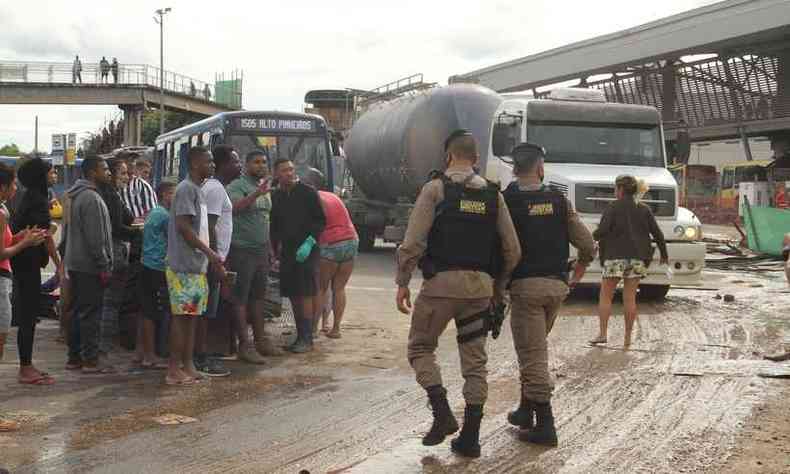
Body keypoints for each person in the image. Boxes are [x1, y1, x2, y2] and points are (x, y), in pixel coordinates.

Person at [396, 129, 521, 458]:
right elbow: (512, 250)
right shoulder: (494, 195)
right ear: (476, 159)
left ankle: (442, 413)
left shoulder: (435, 189)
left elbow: (413, 242)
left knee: (421, 347)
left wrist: (402, 280)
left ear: (448, 156)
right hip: (479, 289)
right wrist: (499, 287)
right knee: (475, 362)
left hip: (440, 287)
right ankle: (471, 438)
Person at [502, 143, 596, 447]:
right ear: (541, 168)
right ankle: (525, 410)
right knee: (534, 347)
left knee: (532, 355)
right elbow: (587, 244)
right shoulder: (558, 199)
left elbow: (498, 246)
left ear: (515, 169)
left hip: (526, 288)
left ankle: (545, 425)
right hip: (556, 287)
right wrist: (578, 272)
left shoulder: (506, 201)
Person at [165, 146, 224, 386]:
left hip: (196, 267)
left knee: (192, 318)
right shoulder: (186, 189)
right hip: (183, 266)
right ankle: (173, 369)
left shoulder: (198, 190)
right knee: (181, 318)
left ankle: (188, 365)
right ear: (194, 164)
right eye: (208, 162)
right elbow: (184, 227)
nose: (212, 165)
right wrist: (210, 253)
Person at [591, 174, 668, 348]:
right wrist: (664, 254)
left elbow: (602, 230)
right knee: (630, 299)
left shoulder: (613, 207)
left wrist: (590, 238)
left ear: (620, 190)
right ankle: (627, 339)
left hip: (614, 258)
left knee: (605, 296)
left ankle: (603, 334)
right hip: (637, 259)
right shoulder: (644, 209)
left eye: (615, 189)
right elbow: (657, 234)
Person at [224, 148, 283, 362]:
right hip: (241, 250)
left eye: (264, 162)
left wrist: (270, 250)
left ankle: (261, 340)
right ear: (247, 165)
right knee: (240, 298)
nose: (261, 166)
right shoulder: (236, 186)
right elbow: (233, 209)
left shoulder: (263, 187)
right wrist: (256, 194)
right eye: (256, 162)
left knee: (259, 297)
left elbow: (264, 219)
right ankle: (244, 345)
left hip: (260, 251)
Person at [11, 158, 61, 384]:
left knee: (28, 314)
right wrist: (59, 265)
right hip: (28, 264)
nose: (55, 175)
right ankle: (25, 367)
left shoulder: (30, 197)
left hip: (24, 264)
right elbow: (46, 236)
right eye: (51, 172)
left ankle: (28, 365)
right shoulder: (38, 200)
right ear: (41, 176)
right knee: (28, 316)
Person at [270, 159, 326, 353]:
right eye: (284, 170)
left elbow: (320, 220)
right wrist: (274, 250)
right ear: (276, 174)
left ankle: (307, 337)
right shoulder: (276, 196)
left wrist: (310, 243)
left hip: (307, 250)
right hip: (287, 251)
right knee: (293, 293)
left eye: (291, 169)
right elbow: (274, 226)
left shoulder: (308, 192)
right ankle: (299, 335)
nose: (289, 173)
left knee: (306, 292)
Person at [65, 158, 114, 374]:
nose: (109, 173)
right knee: (90, 315)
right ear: (93, 173)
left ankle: (74, 357)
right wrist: (103, 265)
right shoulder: (91, 198)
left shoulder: (78, 196)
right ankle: (90, 360)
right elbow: (96, 239)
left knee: (78, 312)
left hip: (77, 263)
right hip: (90, 266)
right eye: (104, 169)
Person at [194, 147, 237, 377]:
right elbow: (208, 227)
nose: (238, 166)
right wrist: (216, 261)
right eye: (235, 161)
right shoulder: (216, 189)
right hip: (211, 258)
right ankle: (200, 357)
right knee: (205, 310)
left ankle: (201, 354)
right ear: (223, 165)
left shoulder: (215, 187)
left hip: (212, 257)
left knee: (206, 310)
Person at [303, 168, 358, 339]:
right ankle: (335, 329)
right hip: (351, 241)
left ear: (308, 185)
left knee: (320, 288)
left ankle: (313, 330)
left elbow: (313, 227)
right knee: (339, 288)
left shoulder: (312, 199)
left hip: (331, 244)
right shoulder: (333, 196)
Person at [0, 163, 47, 361]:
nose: (16, 188)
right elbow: (1, 254)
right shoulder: (1, 214)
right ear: (3, 187)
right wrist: (25, 243)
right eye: (13, 184)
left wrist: (18, 237)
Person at [97, 159, 139, 360]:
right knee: (110, 303)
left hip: (111, 252)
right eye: (122, 173)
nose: (127, 177)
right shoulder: (110, 196)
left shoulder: (112, 194)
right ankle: (103, 350)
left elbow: (128, 217)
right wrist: (139, 231)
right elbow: (118, 227)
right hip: (114, 253)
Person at [136, 181, 175, 369]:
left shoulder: (155, 212)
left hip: (147, 264)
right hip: (157, 267)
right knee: (153, 312)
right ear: (164, 195)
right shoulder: (165, 216)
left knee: (146, 311)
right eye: (173, 194)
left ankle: (142, 352)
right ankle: (150, 355)